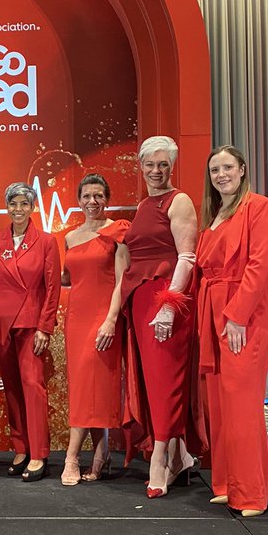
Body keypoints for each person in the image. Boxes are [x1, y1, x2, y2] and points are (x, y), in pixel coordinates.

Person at [197, 145, 268, 517]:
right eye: (215, 170)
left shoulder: (259, 207)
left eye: (227, 167)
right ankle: (228, 484)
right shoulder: (216, 215)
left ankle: (251, 494)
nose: (221, 175)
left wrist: (237, 316)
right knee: (218, 403)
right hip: (211, 310)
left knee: (242, 404)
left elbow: (261, 266)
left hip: (243, 314)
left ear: (243, 169)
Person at [120, 136, 198, 499]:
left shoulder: (178, 200)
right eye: (150, 164)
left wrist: (169, 305)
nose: (156, 170)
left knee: (166, 378)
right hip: (140, 301)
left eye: (163, 164)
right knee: (153, 381)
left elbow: (187, 258)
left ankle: (160, 457)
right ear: (140, 165)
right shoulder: (143, 204)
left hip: (165, 300)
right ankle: (179, 454)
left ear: (172, 167)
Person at [0, 183, 61, 482]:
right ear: (6, 206)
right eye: (12, 203)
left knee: (33, 387)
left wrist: (45, 327)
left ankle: (39, 452)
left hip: (31, 324)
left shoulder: (46, 241)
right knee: (12, 389)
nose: (18, 209)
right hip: (1, 325)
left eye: (23, 204)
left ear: (32, 207)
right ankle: (21, 447)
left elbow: (52, 288)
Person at [61, 174, 130, 484]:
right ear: (79, 200)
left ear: (107, 198)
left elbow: (122, 280)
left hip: (103, 319)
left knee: (94, 386)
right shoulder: (70, 238)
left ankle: (71, 458)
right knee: (86, 388)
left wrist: (111, 320)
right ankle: (101, 452)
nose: (92, 201)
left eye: (98, 195)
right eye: (87, 196)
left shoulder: (118, 231)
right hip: (76, 319)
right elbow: (66, 278)